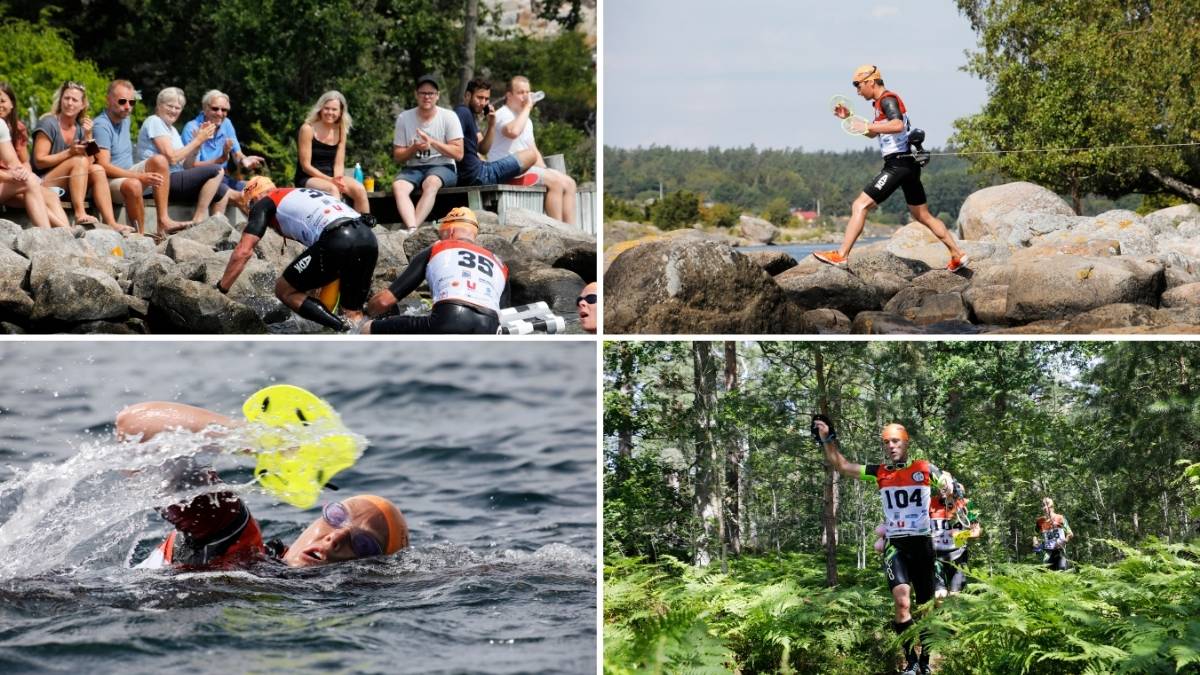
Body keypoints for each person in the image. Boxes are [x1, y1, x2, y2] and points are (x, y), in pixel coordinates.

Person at [116, 401, 408, 570]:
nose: (335, 538)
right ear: (312, 521)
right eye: (336, 517)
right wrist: (260, 442)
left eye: (364, 544)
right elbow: (135, 425)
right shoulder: (233, 535)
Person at [814, 416, 949, 675]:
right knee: (902, 602)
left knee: (926, 607)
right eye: (886, 442)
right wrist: (827, 439)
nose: (891, 446)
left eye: (896, 441)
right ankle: (910, 661)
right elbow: (841, 465)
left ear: (906, 443)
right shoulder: (879, 472)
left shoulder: (924, 468)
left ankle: (926, 661)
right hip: (895, 545)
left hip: (922, 545)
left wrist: (949, 485)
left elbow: (946, 481)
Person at [815, 65, 968, 271]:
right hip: (908, 166)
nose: (857, 91)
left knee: (859, 205)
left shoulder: (887, 99)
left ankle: (841, 255)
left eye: (858, 85)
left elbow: (897, 125)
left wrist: (869, 126)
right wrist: (850, 118)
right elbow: (873, 133)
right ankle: (957, 254)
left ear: (871, 81)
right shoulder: (879, 105)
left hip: (898, 164)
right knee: (922, 215)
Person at [217, 177, 377, 332]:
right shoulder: (298, 193)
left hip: (338, 238)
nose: (250, 212)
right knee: (352, 312)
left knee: (283, 289)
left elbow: (243, 251)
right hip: (367, 237)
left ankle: (340, 329)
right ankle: (360, 335)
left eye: (250, 206)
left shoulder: (265, 202)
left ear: (257, 196)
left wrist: (221, 289)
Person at [362, 206, 508, 334]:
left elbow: (384, 301)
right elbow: (502, 314)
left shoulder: (437, 248)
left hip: (449, 318)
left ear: (450, 232)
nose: (440, 238)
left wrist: (364, 314)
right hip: (489, 326)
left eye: (441, 234)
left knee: (368, 328)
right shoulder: (500, 264)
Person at [93, 79, 191, 237]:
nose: (128, 106)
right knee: (134, 184)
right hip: (108, 179)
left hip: (126, 171)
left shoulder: (125, 118)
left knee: (159, 160)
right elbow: (104, 166)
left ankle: (163, 221)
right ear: (108, 100)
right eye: (122, 101)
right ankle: (140, 235)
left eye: (131, 102)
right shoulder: (101, 126)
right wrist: (138, 176)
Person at [31, 81, 125, 231]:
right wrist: (69, 153)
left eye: (74, 100)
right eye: (66, 98)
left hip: (69, 185)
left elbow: (91, 161)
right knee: (78, 160)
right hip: (43, 182)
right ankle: (80, 213)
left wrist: (88, 136)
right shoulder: (49, 122)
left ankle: (111, 223)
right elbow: (39, 161)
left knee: (98, 170)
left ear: (82, 105)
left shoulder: (81, 128)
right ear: (60, 100)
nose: (69, 103)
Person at [488, 76, 577, 226]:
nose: (526, 96)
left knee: (569, 183)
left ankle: (572, 230)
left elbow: (532, 149)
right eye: (521, 92)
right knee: (555, 183)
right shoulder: (502, 114)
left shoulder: (526, 119)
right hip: (506, 170)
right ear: (509, 95)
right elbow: (513, 131)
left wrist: (546, 170)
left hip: (526, 169)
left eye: (528, 92)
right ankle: (558, 229)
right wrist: (528, 107)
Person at [135, 87, 231, 224]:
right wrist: (197, 140)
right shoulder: (154, 121)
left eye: (178, 108)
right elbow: (172, 158)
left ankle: (218, 230)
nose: (174, 111)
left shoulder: (172, 130)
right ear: (159, 105)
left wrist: (197, 144)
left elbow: (187, 165)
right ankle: (198, 220)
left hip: (175, 177)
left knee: (222, 190)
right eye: (170, 106)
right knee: (217, 171)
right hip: (159, 181)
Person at [391, 74, 464, 230]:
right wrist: (414, 148)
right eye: (423, 93)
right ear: (416, 95)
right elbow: (397, 156)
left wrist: (433, 143)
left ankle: (412, 229)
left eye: (431, 93)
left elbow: (459, 153)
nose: (427, 97)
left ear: (437, 96)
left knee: (430, 183)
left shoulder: (449, 116)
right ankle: (412, 227)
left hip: (443, 166)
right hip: (413, 167)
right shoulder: (404, 118)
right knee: (399, 186)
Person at [0, 82, 71, 229]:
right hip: (5, 180)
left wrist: (22, 173)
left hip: (8, 183)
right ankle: (64, 232)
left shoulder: (9, 126)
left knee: (47, 194)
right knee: (29, 183)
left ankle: (61, 235)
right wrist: (11, 177)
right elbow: (38, 160)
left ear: (12, 103)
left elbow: (17, 162)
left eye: (2, 101)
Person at [295, 90, 369, 213]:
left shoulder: (341, 130)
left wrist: (338, 180)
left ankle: (366, 227)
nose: (330, 112)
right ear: (320, 109)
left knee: (360, 189)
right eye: (327, 108)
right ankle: (339, 227)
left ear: (340, 112)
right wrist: (331, 181)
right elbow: (305, 166)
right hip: (309, 177)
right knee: (332, 189)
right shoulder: (307, 128)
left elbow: (339, 164)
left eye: (334, 109)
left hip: (332, 176)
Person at [453, 78, 536, 187]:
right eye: (479, 97)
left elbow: (483, 149)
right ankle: (507, 179)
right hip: (478, 175)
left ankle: (507, 178)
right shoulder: (463, 112)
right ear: (468, 95)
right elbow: (453, 142)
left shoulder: (469, 115)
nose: (483, 103)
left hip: (479, 171)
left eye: (486, 99)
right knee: (531, 155)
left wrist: (492, 124)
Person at [181, 89, 264, 196]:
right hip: (200, 181)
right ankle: (238, 200)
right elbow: (191, 166)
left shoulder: (227, 123)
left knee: (260, 186)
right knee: (236, 193)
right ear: (205, 108)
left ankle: (249, 205)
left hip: (223, 179)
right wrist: (220, 160)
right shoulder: (192, 128)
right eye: (215, 109)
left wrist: (244, 160)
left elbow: (236, 154)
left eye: (224, 110)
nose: (220, 113)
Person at [930, 475, 980, 603]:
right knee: (939, 595)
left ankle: (954, 622)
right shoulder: (929, 503)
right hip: (935, 556)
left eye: (946, 487)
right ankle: (938, 621)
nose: (943, 490)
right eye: (941, 487)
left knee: (955, 597)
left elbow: (976, 531)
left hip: (958, 555)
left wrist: (960, 534)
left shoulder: (965, 504)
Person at [1033, 497, 1073, 571]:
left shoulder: (1060, 518)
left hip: (1060, 552)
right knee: (1048, 576)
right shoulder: (1040, 521)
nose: (1045, 508)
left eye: (1047, 505)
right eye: (1043, 505)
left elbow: (1070, 533)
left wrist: (1064, 541)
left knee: (1062, 572)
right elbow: (1035, 534)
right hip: (1047, 554)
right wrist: (1035, 542)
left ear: (1052, 506)